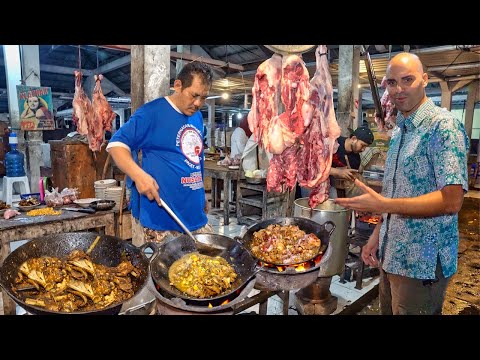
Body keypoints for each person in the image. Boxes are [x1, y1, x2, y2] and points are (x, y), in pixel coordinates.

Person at [334, 52, 469, 315]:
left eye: (407, 80)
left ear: (425, 80)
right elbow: (398, 191)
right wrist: (376, 236)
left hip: (422, 262)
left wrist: (383, 203)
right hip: (391, 254)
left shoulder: (443, 126)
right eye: (392, 83)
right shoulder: (399, 133)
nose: (399, 89)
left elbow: (452, 200)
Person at [106, 62, 214, 245]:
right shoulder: (152, 113)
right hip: (164, 218)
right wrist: (139, 175)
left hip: (195, 215)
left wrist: (201, 195)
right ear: (178, 85)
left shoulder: (196, 116)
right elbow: (116, 145)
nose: (198, 103)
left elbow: (196, 159)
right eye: (194, 95)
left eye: (203, 98)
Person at [299, 126, 374, 199]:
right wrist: (337, 172)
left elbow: (346, 182)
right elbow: (313, 164)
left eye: (366, 147)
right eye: (362, 145)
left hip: (330, 186)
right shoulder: (333, 142)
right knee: (309, 206)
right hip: (312, 181)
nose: (363, 149)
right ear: (354, 139)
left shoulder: (355, 160)